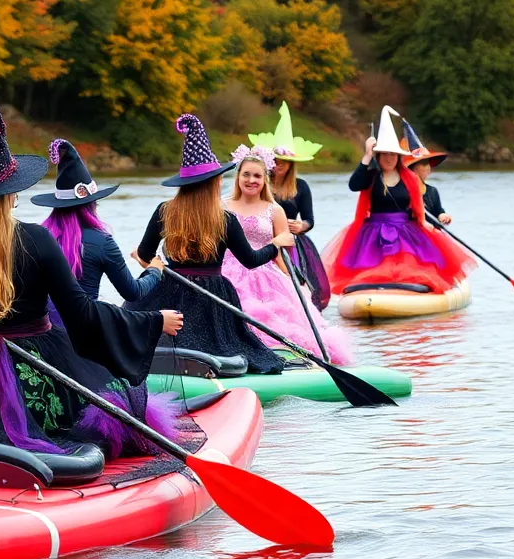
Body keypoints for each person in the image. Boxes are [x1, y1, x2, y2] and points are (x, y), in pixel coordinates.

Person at [0, 99, 183, 460]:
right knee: (104, 414)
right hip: (33, 375)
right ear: (11, 193)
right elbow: (81, 315)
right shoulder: (37, 240)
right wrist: (151, 322)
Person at [128, 114, 294, 375]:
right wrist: (276, 243)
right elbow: (251, 260)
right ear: (214, 182)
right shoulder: (225, 218)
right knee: (236, 348)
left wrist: (156, 264)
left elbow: (145, 253)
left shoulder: (164, 210)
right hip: (213, 294)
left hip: (169, 287)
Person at [221, 146, 355, 364]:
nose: (251, 180)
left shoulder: (274, 210)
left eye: (257, 176)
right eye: (246, 174)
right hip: (228, 272)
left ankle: (282, 357)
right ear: (238, 177)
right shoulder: (223, 206)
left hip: (264, 272)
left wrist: (292, 283)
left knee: (277, 318)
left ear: (265, 179)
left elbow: (280, 254)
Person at [322, 106, 474, 294]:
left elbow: (417, 207)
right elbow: (354, 185)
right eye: (385, 154)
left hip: (405, 231)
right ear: (379, 155)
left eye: (392, 154)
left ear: (398, 156)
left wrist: (429, 222)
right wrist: (367, 156)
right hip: (374, 231)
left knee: (410, 265)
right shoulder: (371, 176)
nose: (389, 158)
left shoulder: (410, 178)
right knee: (373, 267)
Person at [32, 139, 162, 304]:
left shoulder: (36, 237)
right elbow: (133, 292)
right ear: (91, 204)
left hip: (42, 320)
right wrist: (154, 270)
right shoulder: (102, 242)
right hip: (84, 320)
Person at [250, 101, 331, 309]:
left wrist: (302, 226)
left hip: (291, 242)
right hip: (263, 239)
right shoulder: (259, 182)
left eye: (283, 161)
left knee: (295, 284)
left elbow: (309, 219)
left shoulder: (301, 186)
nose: (278, 165)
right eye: (275, 160)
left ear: (291, 164)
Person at [401, 120, 451, 224]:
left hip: (429, 231)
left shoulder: (432, 191)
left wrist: (443, 216)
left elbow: (438, 211)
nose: (428, 167)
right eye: (424, 164)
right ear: (412, 168)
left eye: (428, 164)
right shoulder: (401, 192)